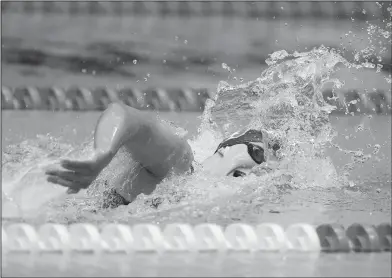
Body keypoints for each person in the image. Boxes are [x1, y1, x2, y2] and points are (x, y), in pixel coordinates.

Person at [45, 102, 279, 207]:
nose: (255, 172)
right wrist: (101, 155)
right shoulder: (180, 163)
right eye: (257, 154)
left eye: (265, 171)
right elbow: (124, 115)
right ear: (225, 148)